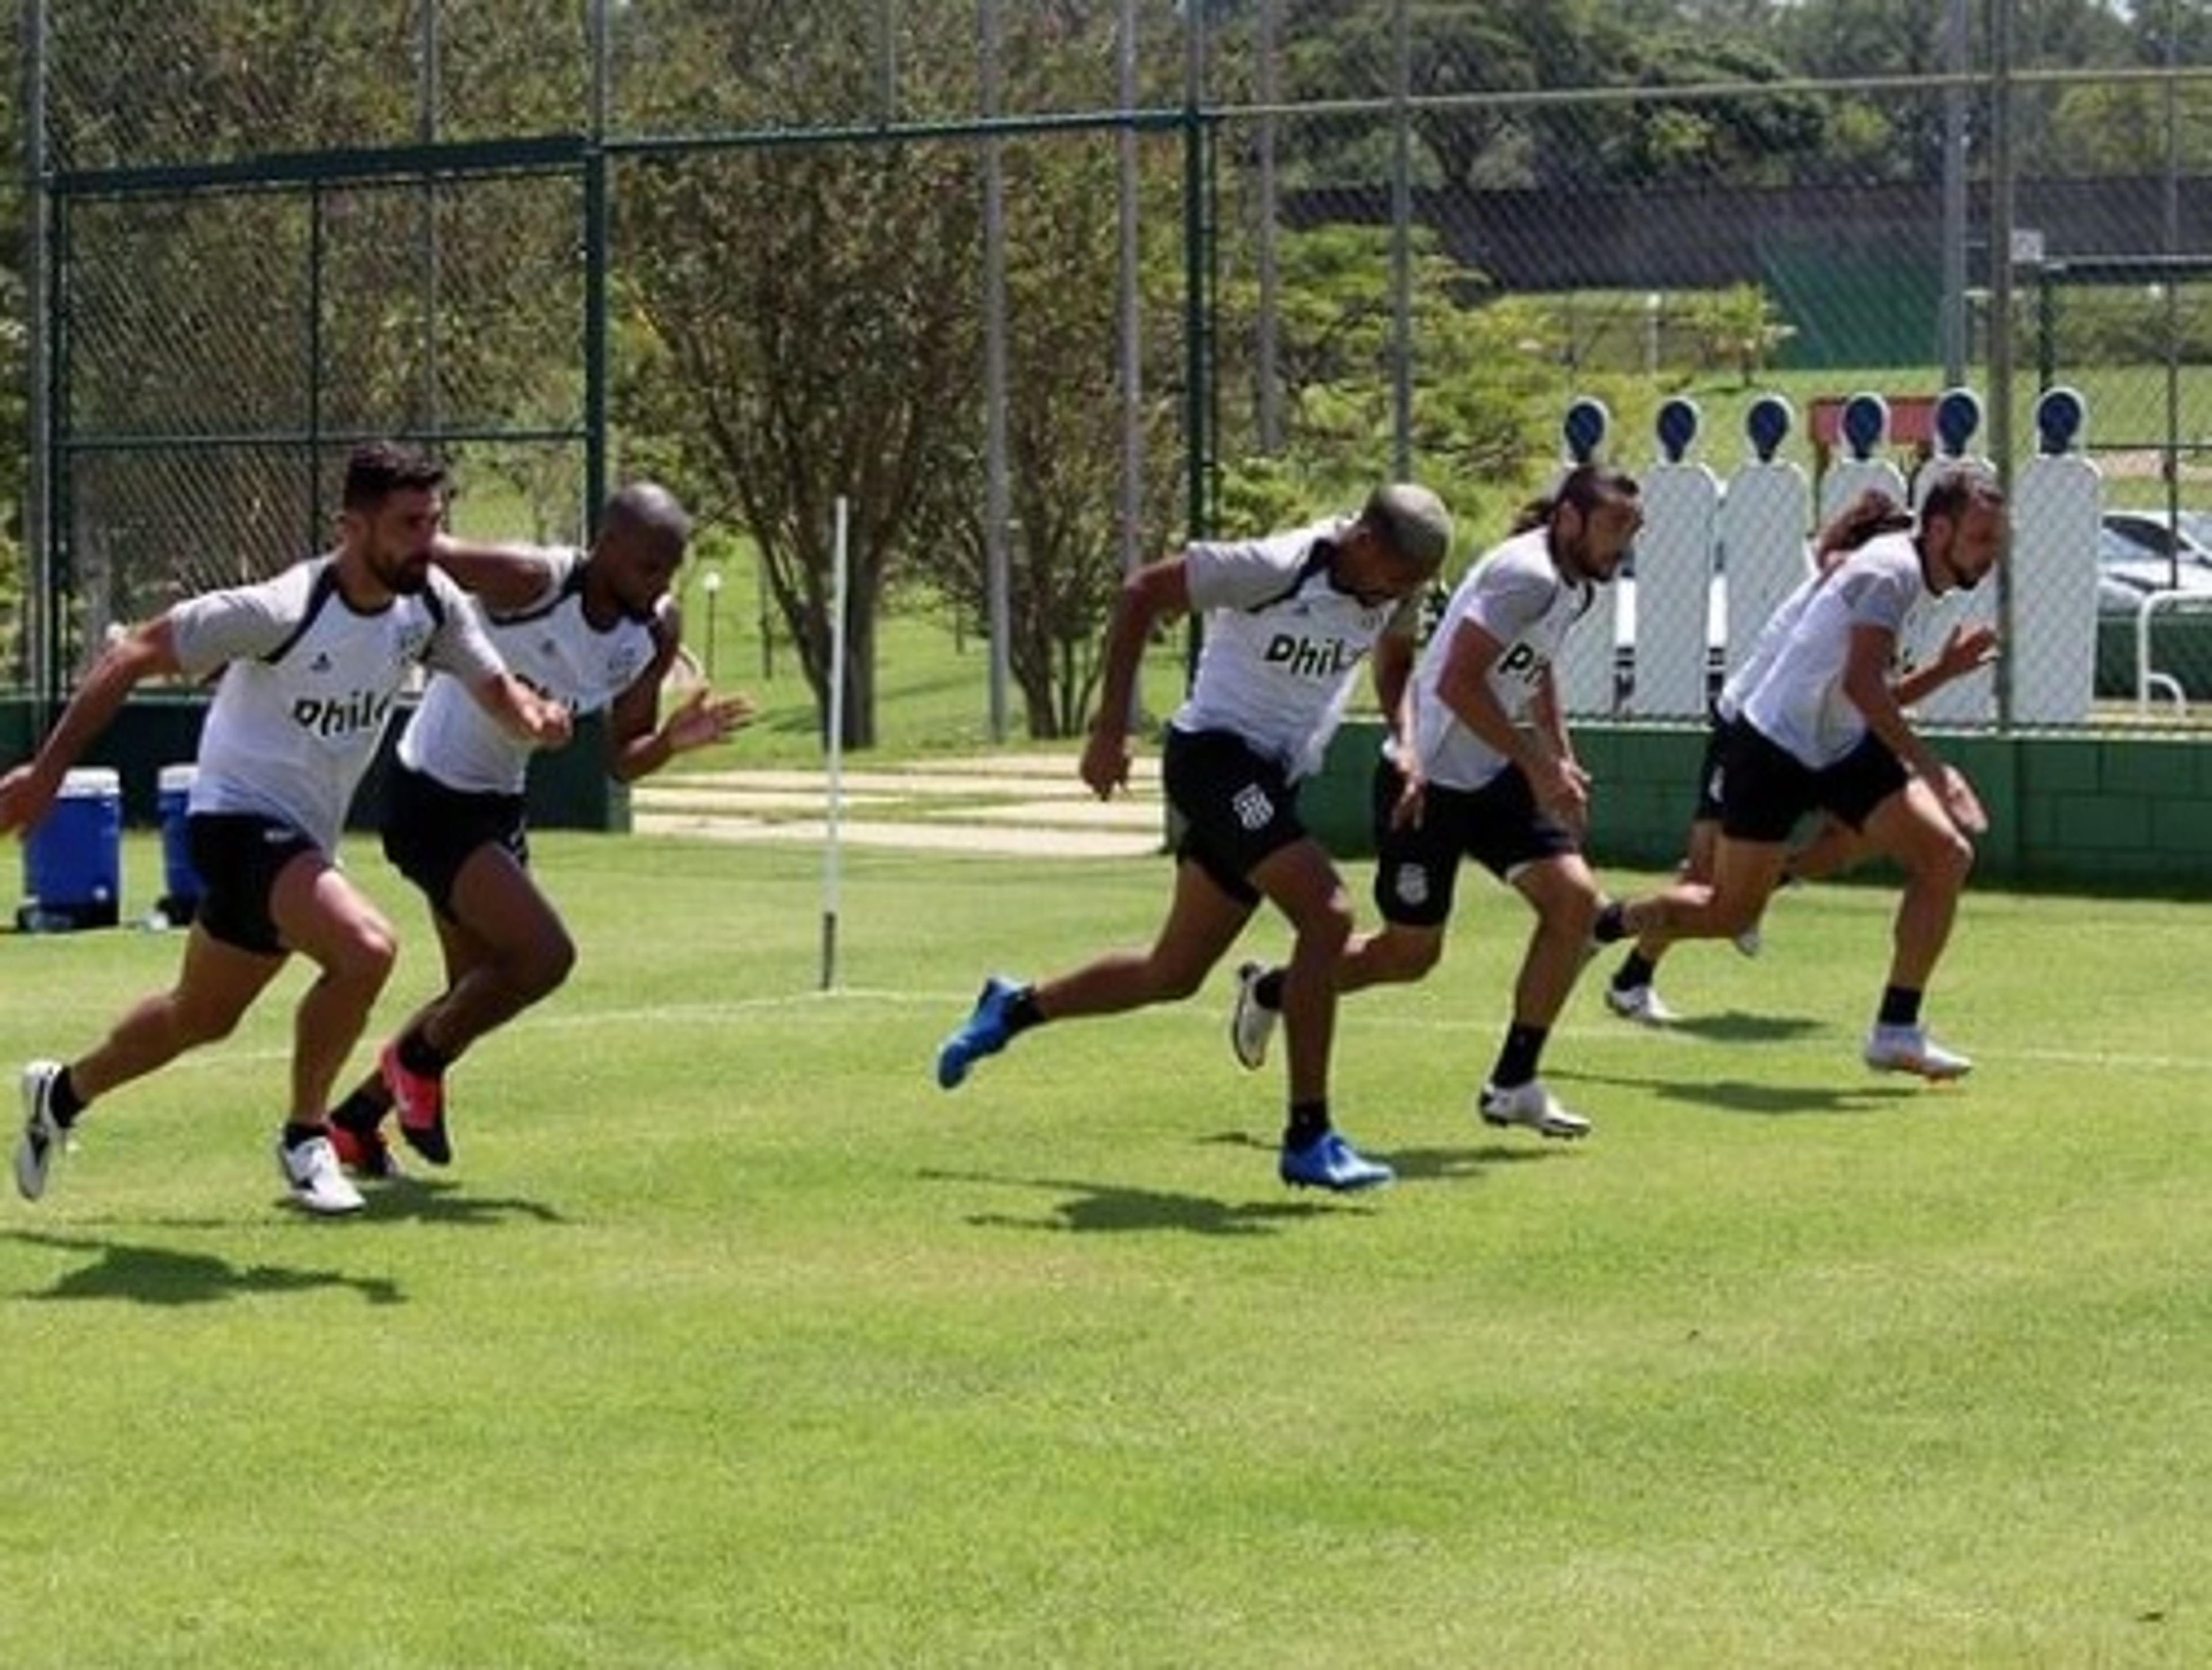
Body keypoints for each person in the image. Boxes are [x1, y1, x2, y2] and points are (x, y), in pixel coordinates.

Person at [1, 442, 570, 1215]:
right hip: (234, 819)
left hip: (302, 842)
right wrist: (46, 772)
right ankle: (309, 1137)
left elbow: (494, 685)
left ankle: (59, 1093)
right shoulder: (283, 608)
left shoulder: (429, 603)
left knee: (198, 1016)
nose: (428, 540)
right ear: (353, 525)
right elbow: (134, 650)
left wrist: (535, 720)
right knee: (366, 947)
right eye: (409, 523)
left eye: (435, 522)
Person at [932, 483, 1453, 1192]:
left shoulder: (1399, 585)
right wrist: (1110, 726)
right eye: (1396, 581)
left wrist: (1411, 742)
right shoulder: (1277, 564)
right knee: (1328, 914)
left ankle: (1013, 1006)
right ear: (1363, 543)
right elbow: (1142, 591)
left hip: (1272, 775)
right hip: (1213, 756)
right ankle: (1310, 1135)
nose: (1398, 597)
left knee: (1172, 974)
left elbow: (1394, 668)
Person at [322, 483, 753, 1177]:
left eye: (669, 570)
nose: (659, 585)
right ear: (607, 547)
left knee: (472, 996)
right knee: (545, 957)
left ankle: (353, 1124)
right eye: (648, 566)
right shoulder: (533, 580)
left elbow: (621, 760)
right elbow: (426, 552)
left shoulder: (654, 629)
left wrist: (673, 740)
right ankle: (414, 1063)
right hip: (429, 794)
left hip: (497, 803)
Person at [1228, 464, 1645, 1141]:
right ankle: (1272, 989)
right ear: (1568, 519)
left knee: (1574, 904)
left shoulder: (1574, 585)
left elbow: (1534, 665)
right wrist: (1538, 765)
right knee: (1410, 955)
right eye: (1612, 528)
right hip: (1423, 782)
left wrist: (1560, 753)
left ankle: (1514, 1083)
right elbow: (1455, 683)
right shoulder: (1527, 575)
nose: (1622, 545)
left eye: (1632, 530)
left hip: (1494, 772)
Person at [1595, 462, 2007, 1079]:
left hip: (1839, 742)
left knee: (1945, 857)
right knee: (1727, 909)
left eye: (1997, 543)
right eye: (1981, 540)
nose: (1990, 556)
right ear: (1941, 528)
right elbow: (1863, 683)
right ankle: (1605, 925)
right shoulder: (1890, 573)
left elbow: (1867, 690)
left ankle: (1896, 1029)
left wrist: (1942, 680)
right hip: (1772, 744)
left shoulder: (1917, 578)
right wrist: (1934, 772)